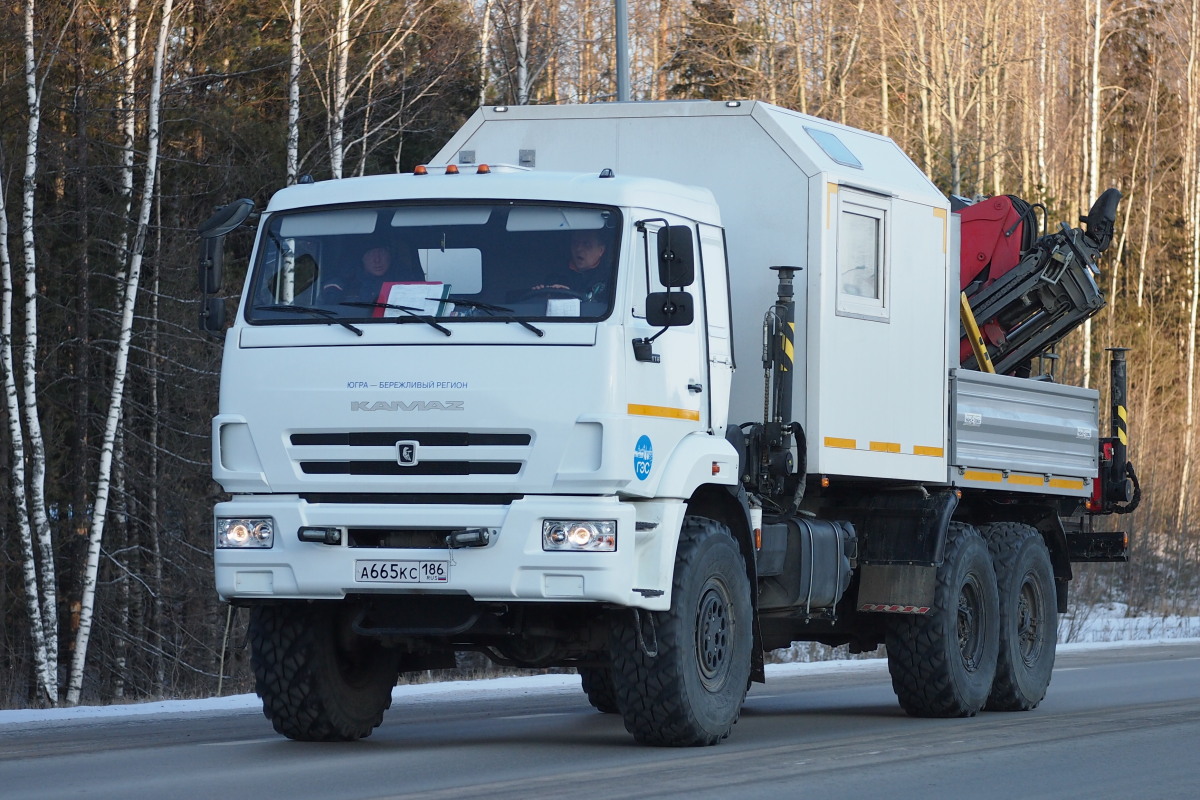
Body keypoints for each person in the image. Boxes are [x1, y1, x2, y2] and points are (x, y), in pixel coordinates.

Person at [323, 242, 422, 304]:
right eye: (370, 254)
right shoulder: (341, 285)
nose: (377, 260)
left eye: (381, 252)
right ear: (362, 258)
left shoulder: (407, 284)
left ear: (390, 256)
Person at [530, 229, 611, 301]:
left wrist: (571, 298)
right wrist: (542, 297)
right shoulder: (556, 275)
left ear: (601, 250)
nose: (578, 249)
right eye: (575, 243)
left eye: (586, 244)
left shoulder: (611, 278)